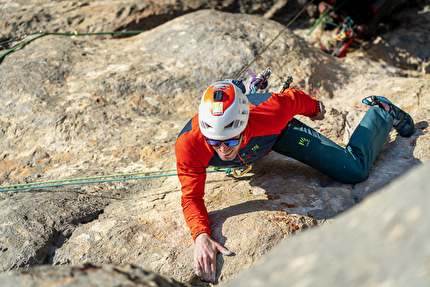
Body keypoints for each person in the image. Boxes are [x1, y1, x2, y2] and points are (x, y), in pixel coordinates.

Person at [175, 79, 414, 283]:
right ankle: (243, 151)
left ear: (244, 124)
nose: (223, 150)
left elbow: (294, 99)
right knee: (228, 153)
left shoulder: (272, 111)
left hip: (276, 136)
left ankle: (382, 112)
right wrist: (201, 235)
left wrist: (315, 109)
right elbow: (192, 197)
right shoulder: (190, 144)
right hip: (252, 145)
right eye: (215, 142)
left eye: (230, 140)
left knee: (354, 170)